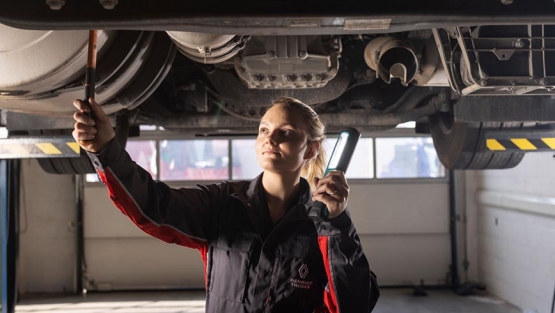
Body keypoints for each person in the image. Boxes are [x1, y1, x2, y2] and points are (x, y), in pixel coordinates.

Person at [72, 96, 380, 313]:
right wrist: (106, 150)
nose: (270, 139)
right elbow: (154, 207)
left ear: (310, 148)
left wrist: (338, 223)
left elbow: (355, 303)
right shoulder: (222, 204)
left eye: (285, 132)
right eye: (263, 130)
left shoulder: (326, 222)